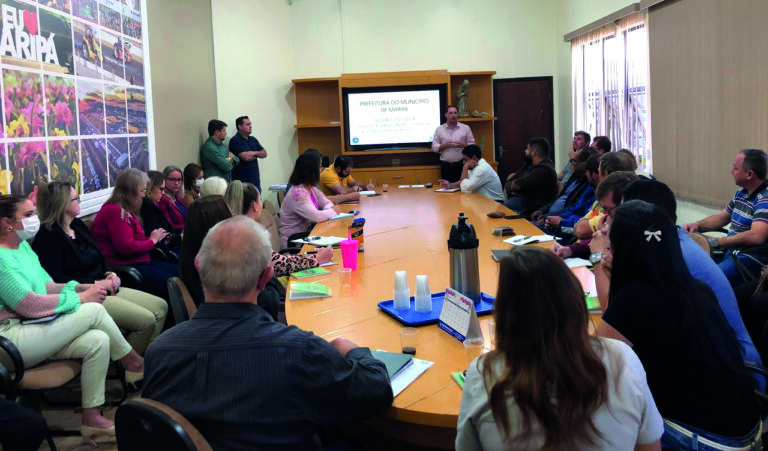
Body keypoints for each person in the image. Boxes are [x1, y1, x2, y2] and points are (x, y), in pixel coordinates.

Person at [143, 217, 393, 450]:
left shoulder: (158, 352)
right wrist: (351, 350)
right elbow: (376, 392)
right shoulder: (299, 351)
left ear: (198, 266)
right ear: (266, 277)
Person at [457, 246, 663, 450]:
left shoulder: (483, 374)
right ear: (576, 301)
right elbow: (650, 446)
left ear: (504, 316)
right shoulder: (623, 359)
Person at [597, 200, 760, 449]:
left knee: (600, 412)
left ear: (621, 248)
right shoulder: (696, 288)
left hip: (709, 440)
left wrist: (599, 264)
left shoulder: (635, 298)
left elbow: (600, 363)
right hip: (748, 428)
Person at [0, 194, 144, 438]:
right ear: (7, 223)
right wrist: (81, 299)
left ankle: (92, 418)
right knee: (93, 310)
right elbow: (29, 304)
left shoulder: (22, 246)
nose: (35, 219)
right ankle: (135, 363)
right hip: (9, 340)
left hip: (32, 325)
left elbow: (47, 286)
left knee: (98, 340)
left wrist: (80, 288)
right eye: (28, 215)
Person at [621, 179, 761, 367]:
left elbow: (619, 332)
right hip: (712, 357)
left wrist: (600, 262)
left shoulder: (671, 256)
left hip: (734, 368)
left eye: (617, 215)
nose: (612, 224)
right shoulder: (669, 241)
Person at [32, 181, 168, 355]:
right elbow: (57, 280)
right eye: (75, 198)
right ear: (63, 204)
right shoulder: (47, 237)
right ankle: (128, 365)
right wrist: (95, 283)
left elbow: (100, 255)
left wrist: (110, 273)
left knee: (161, 307)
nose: (79, 201)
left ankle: (149, 357)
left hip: (107, 285)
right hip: (86, 294)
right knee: (147, 320)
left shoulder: (77, 225)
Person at [177, 195, 279, 319]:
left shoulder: (187, 260)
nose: (234, 217)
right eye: (230, 214)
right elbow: (269, 303)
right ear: (220, 223)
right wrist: (265, 267)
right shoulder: (227, 265)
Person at [683, 149, 768, 285]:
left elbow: (756, 236)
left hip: (749, 258)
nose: (731, 171)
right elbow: (722, 218)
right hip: (732, 251)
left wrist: (719, 242)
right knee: (690, 267)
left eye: (735, 168)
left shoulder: (764, 198)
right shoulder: (741, 193)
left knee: (703, 281)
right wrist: (697, 225)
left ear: (749, 174)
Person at [91, 168, 177, 300]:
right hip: (126, 266)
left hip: (138, 261)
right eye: (142, 191)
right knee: (174, 283)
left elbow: (134, 239)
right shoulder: (115, 211)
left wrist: (155, 238)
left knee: (181, 273)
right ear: (130, 191)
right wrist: (152, 241)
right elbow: (125, 247)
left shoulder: (125, 210)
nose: (143, 196)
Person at [225, 180, 333, 275]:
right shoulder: (248, 235)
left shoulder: (232, 230)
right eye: (260, 200)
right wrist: (317, 258)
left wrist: (313, 256)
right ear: (255, 206)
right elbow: (279, 264)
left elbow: (277, 260)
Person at [279, 152, 338, 248]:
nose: (321, 170)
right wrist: (332, 211)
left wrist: (329, 209)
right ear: (311, 171)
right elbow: (316, 216)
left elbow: (327, 202)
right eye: (320, 167)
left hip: (307, 236)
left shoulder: (310, 188)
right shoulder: (298, 193)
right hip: (294, 243)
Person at [531, 147, 596, 225]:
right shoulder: (574, 177)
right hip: (553, 218)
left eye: (573, 161)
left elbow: (573, 209)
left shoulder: (588, 185)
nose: (571, 163)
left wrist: (546, 218)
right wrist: (542, 211)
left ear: (583, 165)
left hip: (562, 222)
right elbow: (559, 198)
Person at [503, 137, 558, 213]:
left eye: (528, 149)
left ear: (534, 152)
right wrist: (514, 187)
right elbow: (509, 182)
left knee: (504, 207)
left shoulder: (545, 169)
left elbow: (519, 185)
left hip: (532, 208)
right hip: (522, 201)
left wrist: (516, 188)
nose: (525, 151)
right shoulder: (528, 165)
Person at [437, 144, 503, 201]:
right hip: (483, 201)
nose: (463, 162)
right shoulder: (475, 166)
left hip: (495, 202)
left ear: (474, 158)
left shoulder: (482, 168)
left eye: (465, 160)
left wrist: (465, 167)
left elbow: (465, 188)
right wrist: (449, 185)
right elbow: (464, 183)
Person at [140, 171, 182, 254]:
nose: (163, 193)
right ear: (150, 188)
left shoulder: (152, 204)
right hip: (163, 253)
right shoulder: (147, 206)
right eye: (161, 189)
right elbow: (158, 239)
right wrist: (180, 237)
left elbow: (168, 230)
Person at [432, 105, 475, 183]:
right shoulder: (439, 129)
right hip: (446, 166)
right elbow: (434, 147)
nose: (453, 115)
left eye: (455, 113)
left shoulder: (465, 128)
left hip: (461, 164)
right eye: (451, 113)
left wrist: (464, 145)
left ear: (457, 114)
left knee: (462, 186)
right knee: (447, 188)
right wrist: (444, 145)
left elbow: (473, 146)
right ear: (446, 115)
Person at [229, 115, 267, 192]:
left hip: (256, 183)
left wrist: (253, 153)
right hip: (242, 184)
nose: (250, 126)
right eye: (247, 124)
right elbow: (245, 157)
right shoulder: (235, 140)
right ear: (240, 127)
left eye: (250, 124)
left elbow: (264, 153)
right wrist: (257, 154)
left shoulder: (253, 139)